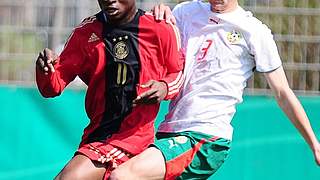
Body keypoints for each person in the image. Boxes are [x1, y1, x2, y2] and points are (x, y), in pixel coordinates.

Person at [109, 0, 320, 179]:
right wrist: (160, 13)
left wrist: (314, 144)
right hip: (169, 130)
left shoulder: (254, 31)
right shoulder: (185, 12)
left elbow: (283, 92)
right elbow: (162, 46)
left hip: (205, 136)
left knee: (123, 175)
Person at [35, 0, 184, 179]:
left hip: (132, 138)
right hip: (96, 135)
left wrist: (165, 87)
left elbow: (178, 72)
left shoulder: (159, 27)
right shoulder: (86, 32)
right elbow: (52, 87)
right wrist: (45, 68)